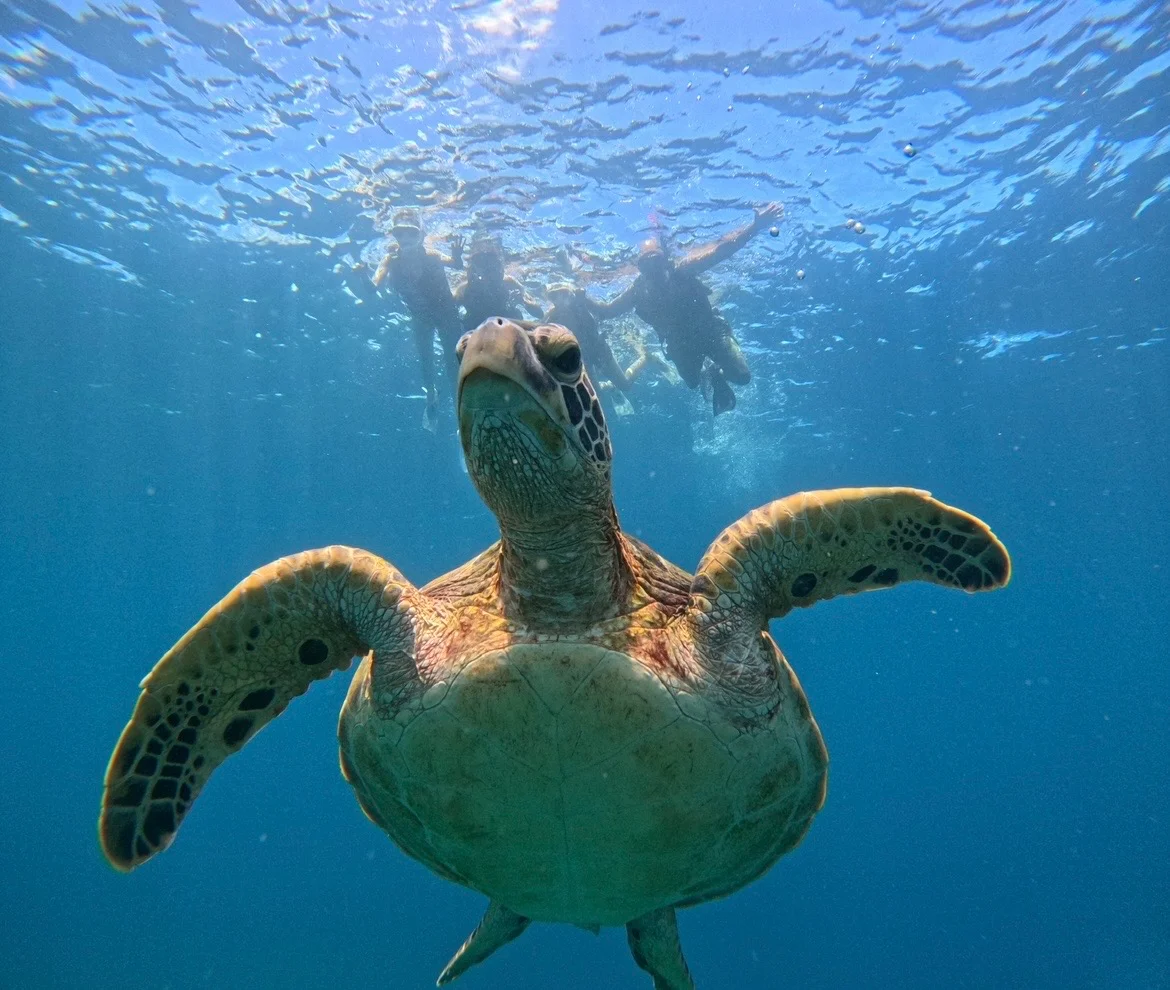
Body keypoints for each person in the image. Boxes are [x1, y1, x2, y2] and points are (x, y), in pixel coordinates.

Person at [593, 202, 784, 415]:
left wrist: (755, 226)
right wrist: (579, 298)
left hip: (711, 330)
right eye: (647, 266)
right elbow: (607, 311)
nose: (654, 271)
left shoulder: (682, 270)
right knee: (692, 382)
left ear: (666, 261)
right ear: (640, 269)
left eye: (656, 262)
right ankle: (712, 373)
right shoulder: (637, 290)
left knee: (743, 376)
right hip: (678, 342)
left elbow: (723, 250)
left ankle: (717, 372)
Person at [372, 209, 463, 430]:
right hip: (420, 316)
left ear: (421, 235)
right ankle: (431, 395)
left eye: (410, 234)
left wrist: (458, 255)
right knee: (426, 362)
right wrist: (363, 278)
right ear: (393, 235)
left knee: (453, 364)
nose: (405, 240)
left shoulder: (432, 256)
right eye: (399, 234)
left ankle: (461, 410)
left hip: (446, 315)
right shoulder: (391, 260)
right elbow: (375, 284)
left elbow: (456, 265)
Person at [543, 281, 666, 402]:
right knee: (596, 396)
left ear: (569, 293)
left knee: (625, 385)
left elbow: (604, 311)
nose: (558, 300)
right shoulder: (551, 317)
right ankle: (607, 385)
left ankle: (646, 358)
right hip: (582, 357)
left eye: (562, 294)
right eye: (553, 297)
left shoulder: (581, 302)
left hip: (600, 350)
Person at [454, 235, 545, 331]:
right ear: (477, 271)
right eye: (488, 270)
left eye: (495, 270)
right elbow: (447, 309)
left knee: (515, 315)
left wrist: (524, 302)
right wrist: (456, 261)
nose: (492, 276)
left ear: (501, 269)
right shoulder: (465, 289)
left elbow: (539, 314)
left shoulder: (509, 283)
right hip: (476, 330)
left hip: (504, 330)